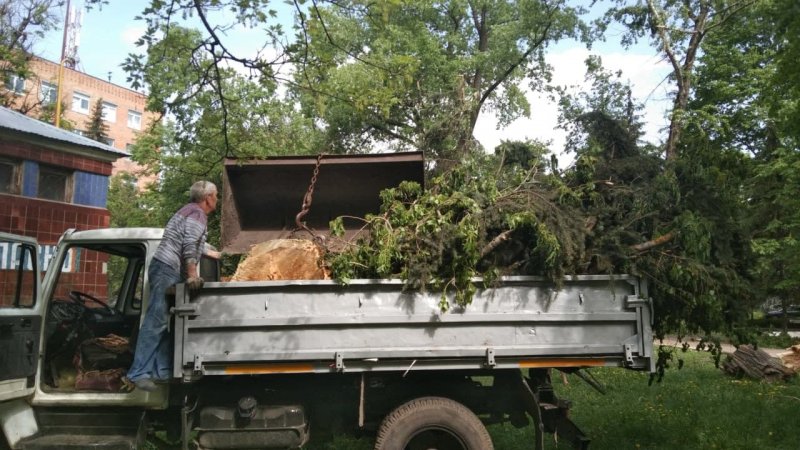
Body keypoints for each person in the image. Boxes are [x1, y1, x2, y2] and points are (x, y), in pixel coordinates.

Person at [127, 180, 219, 392]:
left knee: (167, 322)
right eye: (216, 196)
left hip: (164, 267)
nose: (217, 200)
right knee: (157, 320)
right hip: (167, 268)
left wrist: (214, 253)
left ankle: (161, 371)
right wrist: (192, 275)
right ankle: (138, 372)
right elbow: (188, 245)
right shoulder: (197, 214)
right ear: (208, 198)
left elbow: (191, 241)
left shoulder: (188, 211)